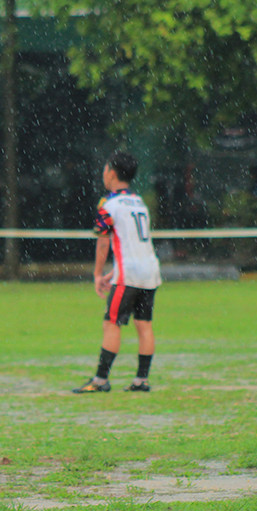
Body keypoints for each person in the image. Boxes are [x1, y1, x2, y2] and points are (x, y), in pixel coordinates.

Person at [73, 151, 161, 393]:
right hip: (150, 271)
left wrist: (98, 273)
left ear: (111, 173)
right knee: (144, 325)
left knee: (111, 323)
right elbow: (134, 243)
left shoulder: (108, 204)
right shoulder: (139, 202)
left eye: (104, 169)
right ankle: (141, 380)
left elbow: (103, 241)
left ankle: (100, 380)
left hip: (128, 275)